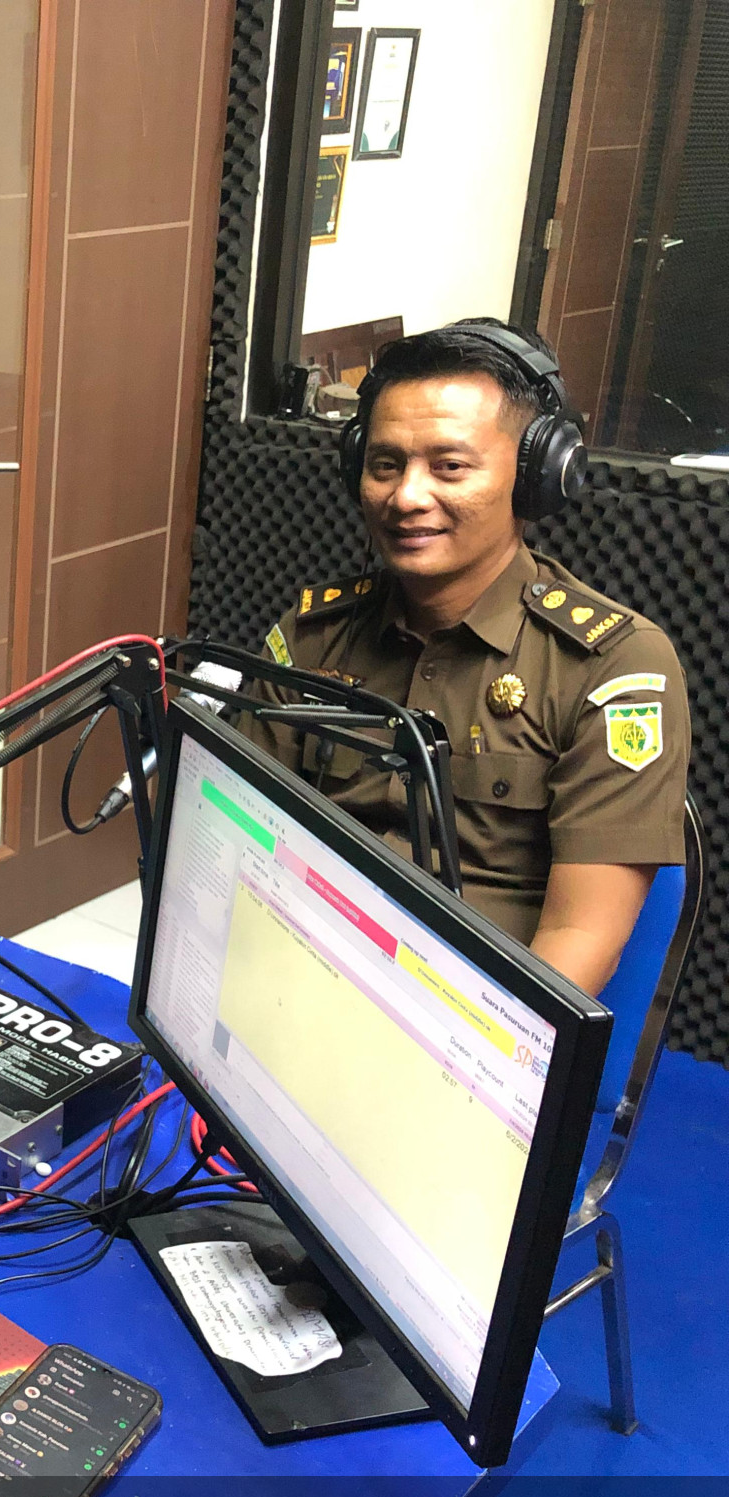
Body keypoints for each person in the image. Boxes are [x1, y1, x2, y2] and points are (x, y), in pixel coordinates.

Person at [240, 321, 689, 994]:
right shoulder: (312, 637)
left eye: (449, 466)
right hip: (293, 973)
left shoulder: (612, 669)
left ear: (535, 479)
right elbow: (242, 830)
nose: (406, 497)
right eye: (385, 465)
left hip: (470, 1020)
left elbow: (577, 941)